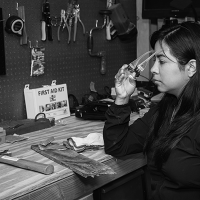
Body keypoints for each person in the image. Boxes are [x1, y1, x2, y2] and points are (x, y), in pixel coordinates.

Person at [103, 21, 200, 200]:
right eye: (155, 60)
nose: (153, 69)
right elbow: (117, 145)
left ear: (191, 67)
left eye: (162, 61)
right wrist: (122, 98)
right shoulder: (164, 110)